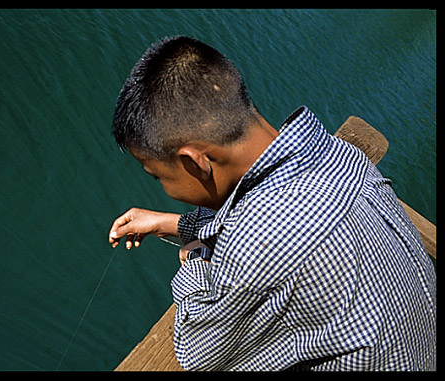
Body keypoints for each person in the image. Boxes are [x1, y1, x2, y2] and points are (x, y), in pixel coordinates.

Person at [107, 36, 436, 371]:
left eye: (156, 175)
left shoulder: (258, 245)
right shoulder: (341, 157)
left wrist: (194, 260)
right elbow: (262, 209)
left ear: (195, 162)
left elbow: (198, 354)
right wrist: (172, 223)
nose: (162, 186)